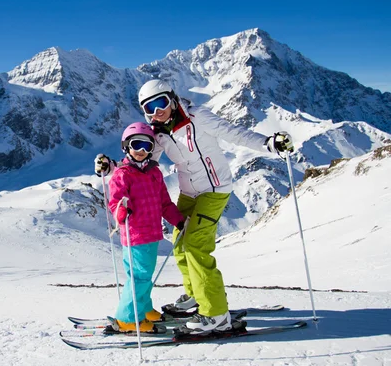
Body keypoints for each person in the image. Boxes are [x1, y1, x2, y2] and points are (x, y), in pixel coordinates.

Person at [95, 79, 294, 334]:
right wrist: (111, 168)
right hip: (189, 193)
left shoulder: (198, 117)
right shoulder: (157, 134)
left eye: (161, 103)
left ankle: (215, 313)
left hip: (214, 189)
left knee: (195, 246)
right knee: (180, 242)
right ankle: (196, 294)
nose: (157, 112)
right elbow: (141, 161)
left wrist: (268, 143)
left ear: (172, 98)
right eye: (149, 108)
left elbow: (234, 133)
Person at [106, 122, 186, 333]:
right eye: (136, 145)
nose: (141, 151)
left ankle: (145, 309)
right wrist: (122, 212)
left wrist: (178, 220)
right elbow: (115, 202)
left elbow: (164, 203)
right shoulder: (123, 175)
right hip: (135, 235)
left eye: (147, 146)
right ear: (126, 147)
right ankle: (127, 319)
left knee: (144, 277)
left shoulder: (154, 173)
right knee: (139, 277)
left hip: (152, 234)